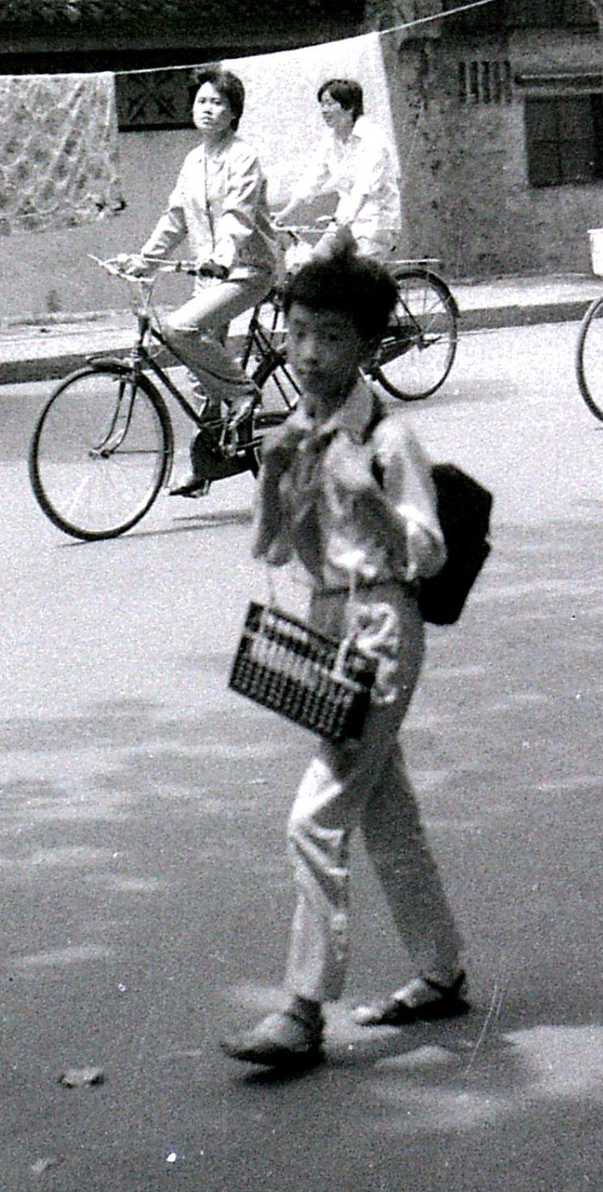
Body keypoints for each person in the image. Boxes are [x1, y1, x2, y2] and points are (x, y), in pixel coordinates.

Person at [221, 249, 468, 1074]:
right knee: (383, 814)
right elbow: (271, 547)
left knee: (315, 817)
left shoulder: (390, 438)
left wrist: (373, 502)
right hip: (329, 622)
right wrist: (273, 474)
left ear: (365, 345)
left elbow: (426, 554)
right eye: (296, 333)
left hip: (380, 625)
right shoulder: (299, 431)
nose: (308, 353)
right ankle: (439, 970)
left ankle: (301, 1010)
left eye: (329, 337)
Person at [116, 66, 276, 498]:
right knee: (198, 373)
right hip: (211, 274)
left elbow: (237, 217)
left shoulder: (244, 157)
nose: (207, 109)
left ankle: (244, 394)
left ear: (233, 113)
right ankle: (206, 465)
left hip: (246, 270)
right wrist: (143, 261)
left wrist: (222, 257)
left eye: (218, 103)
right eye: (202, 101)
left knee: (179, 329)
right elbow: (176, 219)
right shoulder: (193, 160)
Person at [281, 79, 402, 266]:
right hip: (344, 222)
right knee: (314, 267)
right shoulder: (330, 140)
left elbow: (366, 184)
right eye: (321, 105)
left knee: (356, 279)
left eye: (330, 104)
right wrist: (285, 213)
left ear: (350, 107)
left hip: (375, 223)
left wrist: (350, 215)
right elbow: (313, 178)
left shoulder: (373, 138)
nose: (324, 110)